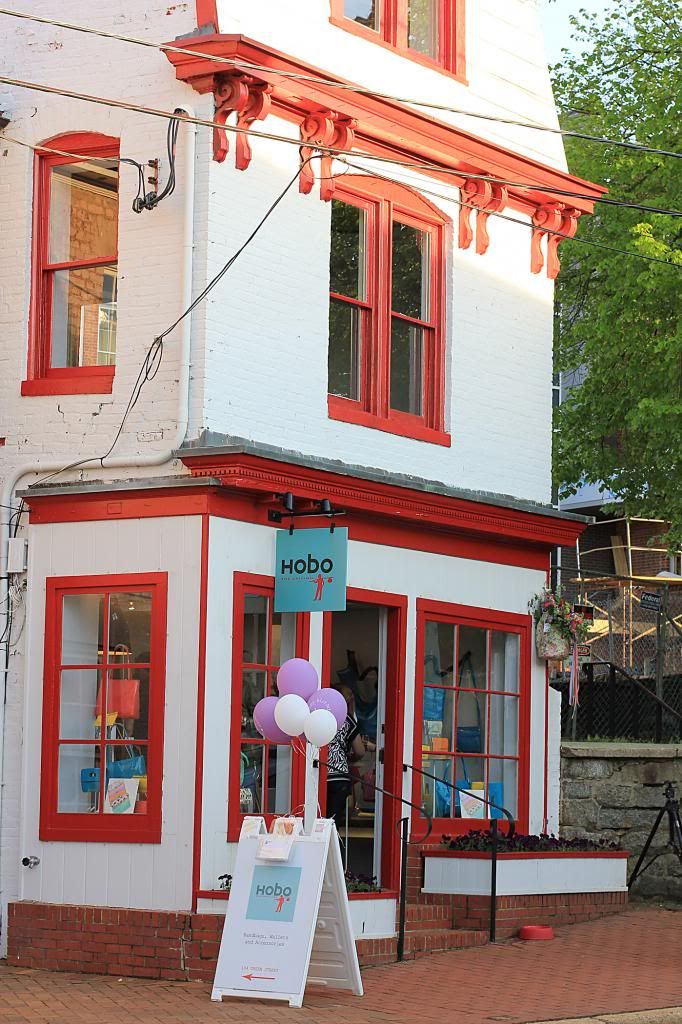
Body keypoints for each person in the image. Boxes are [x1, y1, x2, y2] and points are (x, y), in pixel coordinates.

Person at [325, 685, 367, 829]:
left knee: (315, 821)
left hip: (317, 773)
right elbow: (360, 751)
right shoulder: (347, 719)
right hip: (339, 775)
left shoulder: (318, 714)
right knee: (333, 823)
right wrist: (349, 759)